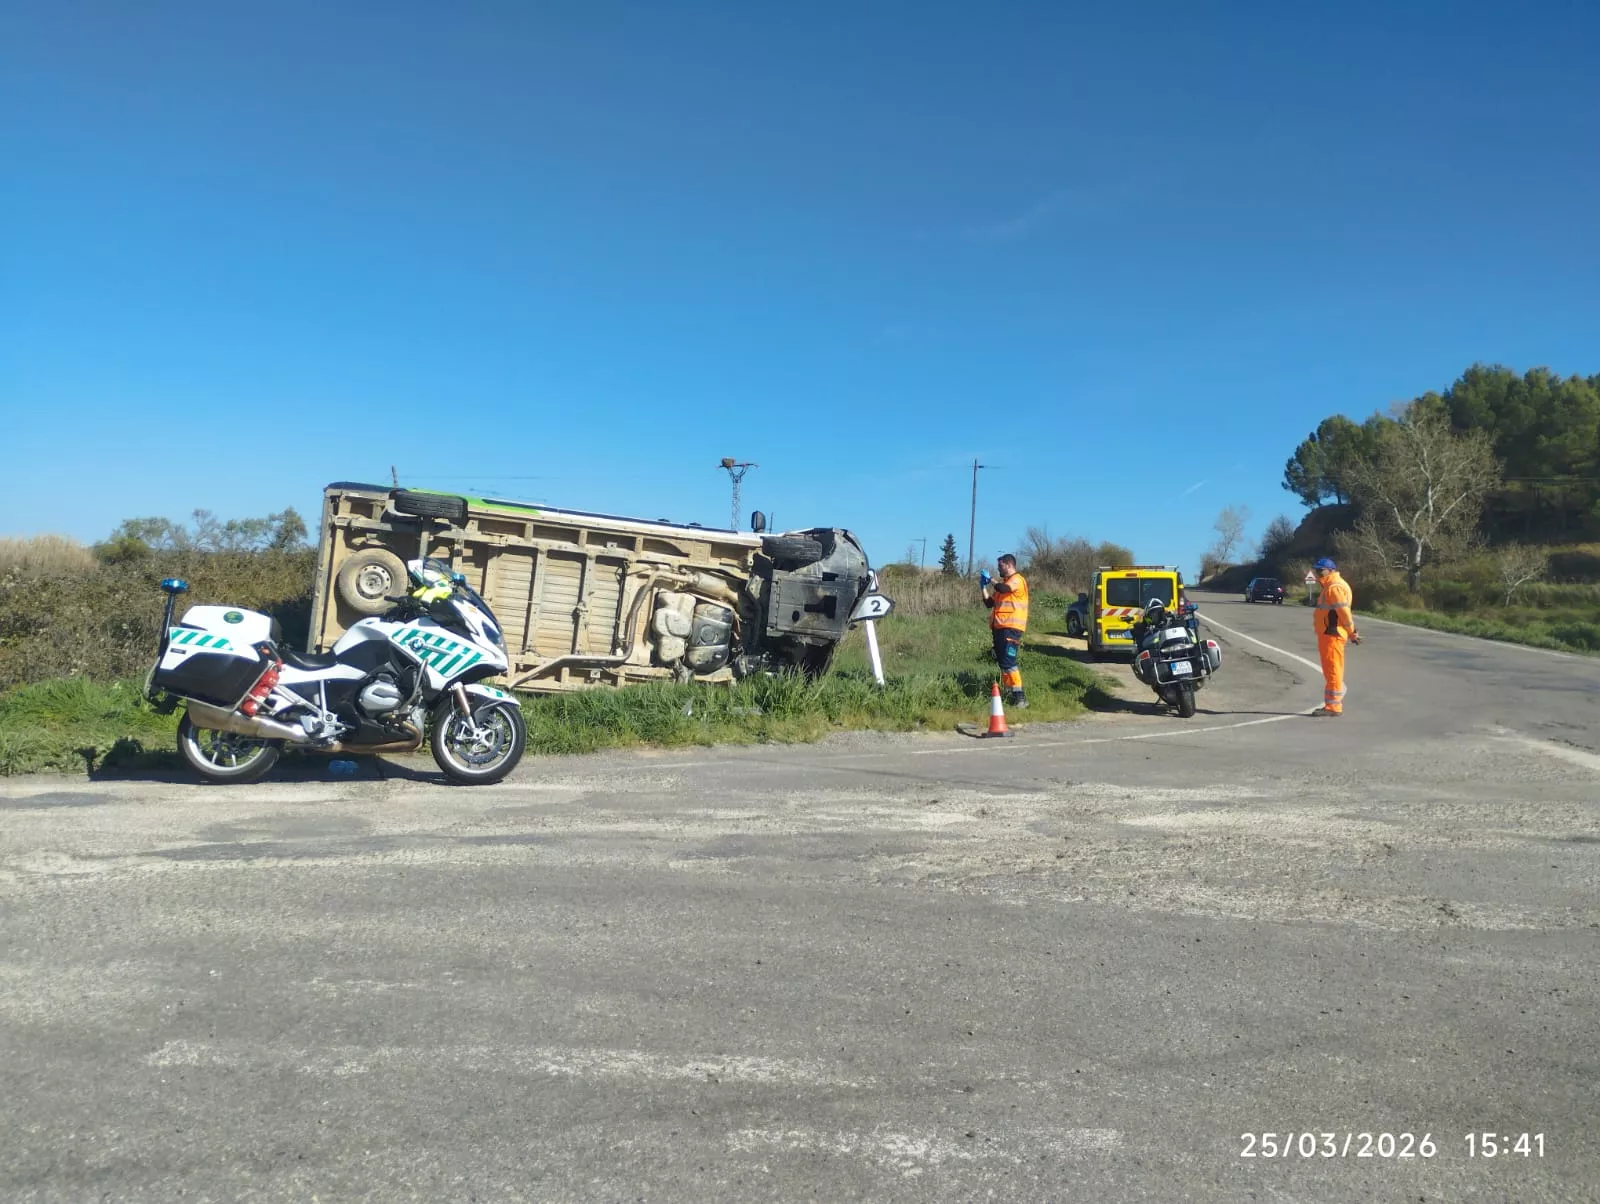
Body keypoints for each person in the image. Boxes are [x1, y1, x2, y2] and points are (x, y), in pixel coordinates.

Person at [1310, 556, 1361, 717]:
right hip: (1329, 635)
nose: (1318, 573)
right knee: (1331, 670)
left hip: (1332, 635)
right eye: (1317, 570)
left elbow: (1344, 613)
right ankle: (1332, 705)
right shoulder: (1331, 586)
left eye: (1321, 570)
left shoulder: (1334, 587)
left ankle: (1333, 707)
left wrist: (1352, 632)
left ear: (1331, 570)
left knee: (1333, 670)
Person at [979, 553, 1030, 708]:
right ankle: (1011, 694)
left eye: (1000, 566)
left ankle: (1020, 697)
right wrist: (983, 587)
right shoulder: (1004, 584)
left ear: (1009, 565)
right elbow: (989, 603)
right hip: (999, 629)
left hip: (1011, 629)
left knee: (1009, 662)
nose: (998, 569)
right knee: (1003, 663)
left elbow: (1003, 588)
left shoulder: (1017, 580)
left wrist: (991, 580)